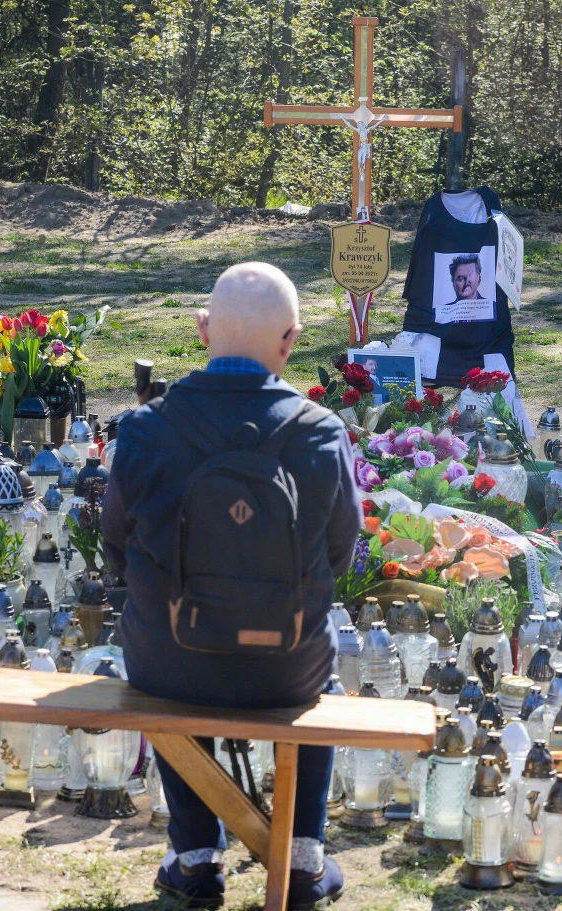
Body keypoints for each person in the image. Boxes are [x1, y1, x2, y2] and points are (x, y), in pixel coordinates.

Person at [102, 262, 362, 909]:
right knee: (319, 652)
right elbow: (341, 553)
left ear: (202, 330)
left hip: (170, 664)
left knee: (161, 641)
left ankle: (194, 857)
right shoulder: (321, 434)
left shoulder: (144, 430)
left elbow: (112, 551)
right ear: (291, 341)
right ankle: (302, 858)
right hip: (285, 669)